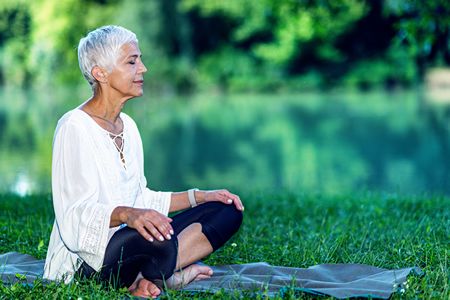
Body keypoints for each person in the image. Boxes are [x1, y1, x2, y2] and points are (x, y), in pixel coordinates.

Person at [43, 25, 244, 298]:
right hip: (85, 262)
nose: (144, 68)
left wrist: (201, 196)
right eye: (132, 61)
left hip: (131, 246)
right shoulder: (73, 127)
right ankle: (165, 275)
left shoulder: (129, 126)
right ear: (100, 73)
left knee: (226, 210)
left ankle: (148, 277)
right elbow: (73, 218)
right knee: (153, 239)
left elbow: (142, 199)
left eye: (140, 59)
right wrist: (128, 214)